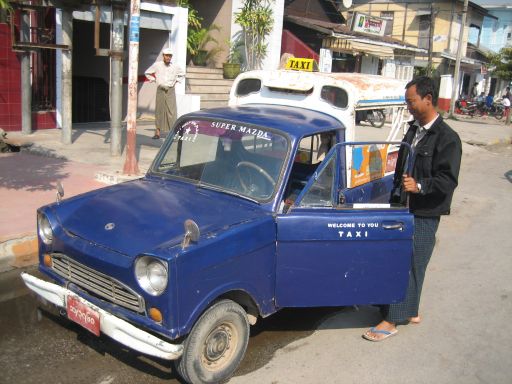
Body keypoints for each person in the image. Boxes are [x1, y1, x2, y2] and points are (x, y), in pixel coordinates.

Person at [363, 76, 462, 342]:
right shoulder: (414, 129)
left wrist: (419, 185)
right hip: (403, 208)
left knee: (408, 263)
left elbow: (448, 180)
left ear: (428, 100)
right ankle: (411, 310)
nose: (408, 106)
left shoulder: (448, 139)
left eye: (411, 101)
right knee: (406, 261)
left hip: (424, 212)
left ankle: (392, 319)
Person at [145, 48, 185, 139]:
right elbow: (147, 73)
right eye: (166, 55)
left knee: (171, 111)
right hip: (161, 89)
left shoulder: (175, 66)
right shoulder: (157, 65)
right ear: (163, 56)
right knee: (159, 110)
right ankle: (157, 133)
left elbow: (182, 74)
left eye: (170, 56)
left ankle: (173, 132)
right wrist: (154, 80)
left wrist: (176, 81)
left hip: (170, 90)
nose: (168, 57)